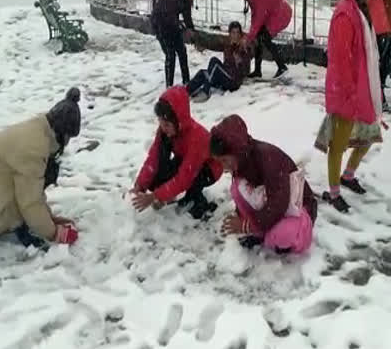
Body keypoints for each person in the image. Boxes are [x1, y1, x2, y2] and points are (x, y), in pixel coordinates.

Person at [0, 88, 83, 253]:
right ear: (62, 132)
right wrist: (54, 233)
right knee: (31, 208)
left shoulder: (37, 130)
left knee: (34, 189)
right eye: (69, 137)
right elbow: (30, 201)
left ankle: (30, 223)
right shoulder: (33, 148)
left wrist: (49, 218)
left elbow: (31, 191)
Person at [315, 0, 384, 213]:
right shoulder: (345, 15)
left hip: (362, 88)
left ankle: (348, 176)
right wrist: (350, 93)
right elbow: (340, 59)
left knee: (369, 135)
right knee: (339, 144)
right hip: (346, 91)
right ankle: (333, 192)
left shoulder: (360, 11)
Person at [210, 115, 317, 254]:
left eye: (224, 160)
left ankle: (297, 231)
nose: (223, 167)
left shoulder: (268, 158)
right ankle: (261, 230)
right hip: (276, 207)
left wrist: (247, 226)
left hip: (298, 208)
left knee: (281, 235)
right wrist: (242, 218)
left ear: (236, 152)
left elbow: (278, 203)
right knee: (237, 188)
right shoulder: (242, 160)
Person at [129, 86, 222, 220]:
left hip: (208, 168)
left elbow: (185, 177)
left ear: (179, 120)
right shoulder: (165, 130)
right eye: (160, 123)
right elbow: (153, 159)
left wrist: (155, 196)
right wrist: (140, 186)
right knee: (155, 181)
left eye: (166, 125)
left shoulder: (197, 138)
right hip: (184, 159)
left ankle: (198, 202)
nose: (163, 128)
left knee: (192, 199)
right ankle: (169, 194)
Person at [344, 0, 391, 109]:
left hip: (375, 28)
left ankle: (378, 99)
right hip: (378, 27)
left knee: (371, 64)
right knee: (372, 63)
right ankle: (376, 98)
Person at [152, 0, 202, 87]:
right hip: (160, 23)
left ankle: (187, 83)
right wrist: (183, 29)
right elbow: (168, 16)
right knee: (171, 54)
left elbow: (187, 16)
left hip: (172, 23)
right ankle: (169, 87)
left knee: (182, 51)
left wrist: (193, 34)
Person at [233, 0, 291, 80]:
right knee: (258, 38)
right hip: (271, 14)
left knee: (264, 38)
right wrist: (251, 35)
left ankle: (282, 67)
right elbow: (255, 16)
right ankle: (257, 71)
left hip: (281, 14)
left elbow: (259, 18)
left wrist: (248, 38)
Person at [186, 21, 252, 102]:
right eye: (233, 33)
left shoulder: (243, 48)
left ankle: (206, 91)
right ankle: (185, 92)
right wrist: (202, 43)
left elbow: (246, 71)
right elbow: (213, 44)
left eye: (238, 33)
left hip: (233, 81)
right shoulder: (228, 44)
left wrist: (240, 62)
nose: (235, 35)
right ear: (229, 34)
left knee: (214, 62)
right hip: (225, 75)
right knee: (203, 73)